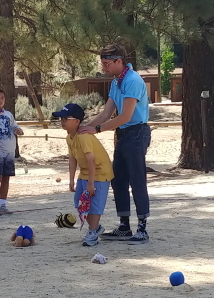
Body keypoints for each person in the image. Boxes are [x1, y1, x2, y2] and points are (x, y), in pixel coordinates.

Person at [79, 43, 151, 245]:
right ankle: (124, 226)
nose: (104, 67)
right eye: (102, 63)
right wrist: (84, 128)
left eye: (107, 63)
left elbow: (126, 116)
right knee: (118, 179)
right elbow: (106, 113)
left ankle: (142, 228)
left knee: (137, 179)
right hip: (123, 133)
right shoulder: (115, 82)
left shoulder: (133, 80)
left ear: (119, 61)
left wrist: (98, 129)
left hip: (137, 132)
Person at [57, 103, 113, 247]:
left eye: (66, 118)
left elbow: (91, 160)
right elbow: (72, 158)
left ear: (77, 121)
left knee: (94, 205)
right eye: (61, 119)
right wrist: (71, 179)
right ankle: (96, 228)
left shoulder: (84, 137)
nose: (62, 121)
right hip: (84, 173)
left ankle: (92, 232)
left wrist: (91, 183)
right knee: (79, 202)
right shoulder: (69, 137)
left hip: (100, 173)